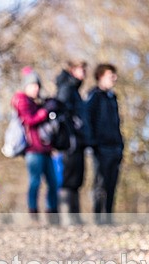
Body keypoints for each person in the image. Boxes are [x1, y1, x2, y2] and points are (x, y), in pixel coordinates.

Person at [12, 67, 60, 224]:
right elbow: (29, 120)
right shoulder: (22, 100)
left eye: (38, 85)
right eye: (33, 85)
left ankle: (52, 212)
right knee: (35, 182)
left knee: (53, 182)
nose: (36, 88)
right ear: (26, 86)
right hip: (32, 150)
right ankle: (33, 212)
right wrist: (44, 112)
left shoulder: (39, 102)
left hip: (46, 149)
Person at [86, 63, 124, 224]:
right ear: (100, 76)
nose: (114, 78)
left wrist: (121, 144)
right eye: (111, 75)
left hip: (115, 147)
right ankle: (98, 218)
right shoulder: (94, 96)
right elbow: (88, 121)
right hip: (101, 148)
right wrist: (94, 143)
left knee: (112, 184)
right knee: (100, 183)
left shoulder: (113, 98)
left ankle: (109, 217)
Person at [56, 59, 89, 224]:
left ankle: (75, 215)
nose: (84, 73)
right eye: (81, 69)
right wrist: (72, 130)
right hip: (70, 142)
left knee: (77, 178)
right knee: (69, 178)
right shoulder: (67, 88)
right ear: (72, 70)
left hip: (78, 141)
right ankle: (68, 216)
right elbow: (61, 112)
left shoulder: (75, 90)